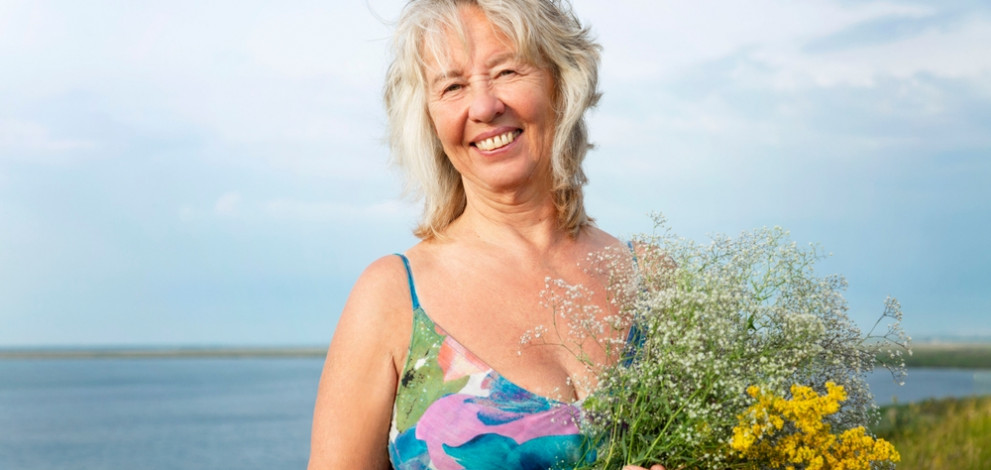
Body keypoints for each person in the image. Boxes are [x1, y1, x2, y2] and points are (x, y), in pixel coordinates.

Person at [308, 1, 664, 469]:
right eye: (453, 86)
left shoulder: (654, 280)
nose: (484, 106)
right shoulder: (392, 297)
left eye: (506, 71)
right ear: (429, 121)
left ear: (561, 80)